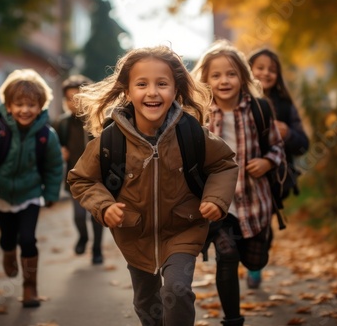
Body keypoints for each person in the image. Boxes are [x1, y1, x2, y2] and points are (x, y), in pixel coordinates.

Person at [67, 45, 239, 326]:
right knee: (147, 305)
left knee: (177, 289)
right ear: (127, 91)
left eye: (162, 84)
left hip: (184, 227)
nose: (152, 92)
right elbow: (82, 178)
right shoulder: (112, 140)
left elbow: (224, 164)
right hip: (135, 234)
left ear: (176, 89)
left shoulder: (190, 133)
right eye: (142, 84)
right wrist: (105, 205)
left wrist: (215, 199)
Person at [191, 40, 285, 326]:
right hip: (221, 205)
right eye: (216, 75)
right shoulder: (199, 115)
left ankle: (256, 262)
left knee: (256, 260)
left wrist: (268, 161)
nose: (224, 80)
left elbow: (278, 148)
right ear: (205, 79)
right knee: (226, 255)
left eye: (231, 74)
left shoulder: (259, 109)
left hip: (256, 202)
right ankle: (233, 320)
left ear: (242, 77)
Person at [0, 69, 63, 308]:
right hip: (0, 195)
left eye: (31, 104)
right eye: (18, 104)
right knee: (8, 239)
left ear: (40, 106)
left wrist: (50, 193)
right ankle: (8, 254)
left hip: (30, 195)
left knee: (27, 239)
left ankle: (30, 288)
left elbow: (54, 166)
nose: (25, 110)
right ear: (8, 106)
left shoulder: (46, 135)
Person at [246, 48, 309, 289]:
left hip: (274, 179)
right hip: (241, 175)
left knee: (263, 227)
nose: (265, 73)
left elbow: (303, 144)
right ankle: (236, 258)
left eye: (272, 69)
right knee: (237, 226)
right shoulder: (237, 99)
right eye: (260, 67)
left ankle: (255, 264)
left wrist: (289, 133)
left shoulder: (284, 105)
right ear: (248, 70)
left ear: (278, 75)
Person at [55, 74, 105, 265]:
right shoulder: (62, 124)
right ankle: (83, 237)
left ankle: (97, 250)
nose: (73, 103)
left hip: (97, 179)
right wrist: (61, 151)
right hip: (75, 178)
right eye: (69, 99)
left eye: (78, 98)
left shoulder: (98, 122)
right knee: (78, 216)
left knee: (96, 216)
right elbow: (56, 145)